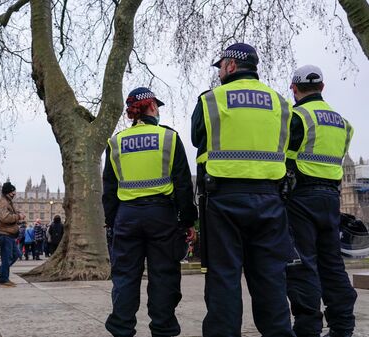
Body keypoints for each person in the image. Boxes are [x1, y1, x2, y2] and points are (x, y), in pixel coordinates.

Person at [191, 43, 295, 336]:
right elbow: (290, 144)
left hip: (224, 198)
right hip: (270, 199)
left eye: (221, 65)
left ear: (232, 66)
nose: (220, 71)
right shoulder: (280, 103)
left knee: (224, 278)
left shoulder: (212, 100)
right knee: (271, 279)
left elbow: (198, 137)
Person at [103, 87, 198, 337]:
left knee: (125, 276)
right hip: (161, 215)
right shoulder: (169, 138)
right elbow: (183, 184)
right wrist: (187, 220)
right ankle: (163, 328)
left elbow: (109, 190)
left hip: (127, 215)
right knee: (164, 275)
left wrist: (112, 224)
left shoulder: (115, 143)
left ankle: (122, 328)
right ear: (153, 107)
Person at [285, 65, 357, 337]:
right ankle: (342, 326)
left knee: (302, 265)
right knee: (332, 264)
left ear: (294, 88)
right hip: (331, 199)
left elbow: (285, 158)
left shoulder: (296, 117)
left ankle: (307, 329)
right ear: (322, 88)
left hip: (300, 197)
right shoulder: (343, 123)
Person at [0, 182, 25, 288]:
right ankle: (4, 279)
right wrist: (18, 217)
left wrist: (19, 215)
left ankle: (1, 271)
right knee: (6, 257)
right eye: (12, 192)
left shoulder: (8, 202)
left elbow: (12, 214)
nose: (14, 194)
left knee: (16, 254)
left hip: (9, 234)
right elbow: (4, 218)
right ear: (7, 192)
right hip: (4, 233)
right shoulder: (3, 202)